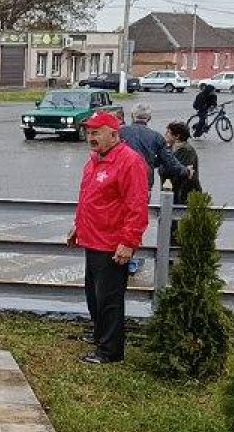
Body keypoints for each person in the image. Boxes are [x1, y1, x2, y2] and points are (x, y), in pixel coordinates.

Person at [68, 111, 149, 365]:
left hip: (112, 244)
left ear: (113, 134)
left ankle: (110, 351)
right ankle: (100, 335)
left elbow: (136, 206)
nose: (91, 137)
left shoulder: (129, 162)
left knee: (109, 299)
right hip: (92, 239)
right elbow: (88, 198)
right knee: (94, 296)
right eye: (89, 132)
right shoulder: (95, 160)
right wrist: (78, 227)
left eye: (96, 132)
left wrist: (128, 242)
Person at [118, 103, 189, 272]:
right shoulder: (156, 137)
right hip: (142, 185)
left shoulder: (120, 132)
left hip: (117, 183)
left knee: (116, 218)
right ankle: (131, 258)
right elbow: (170, 163)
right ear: (149, 118)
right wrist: (186, 171)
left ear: (132, 116)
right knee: (136, 220)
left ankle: (115, 252)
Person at [164, 120, 202, 245]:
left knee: (180, 228)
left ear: (177, 136)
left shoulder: (186, 151)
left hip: (184, 194)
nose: (165, 135)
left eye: (168, 132)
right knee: (170, 227)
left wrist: (166, 169)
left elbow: (176, 172)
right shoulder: (170, 149)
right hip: (172, 193)